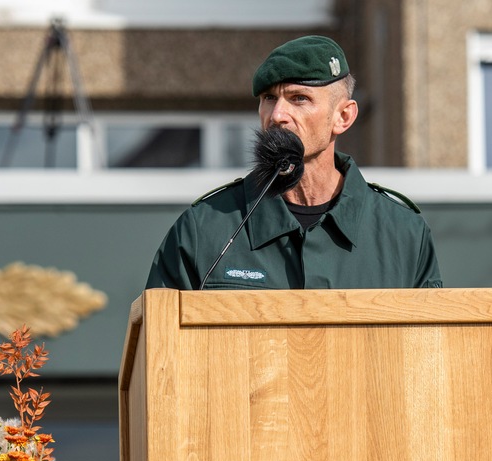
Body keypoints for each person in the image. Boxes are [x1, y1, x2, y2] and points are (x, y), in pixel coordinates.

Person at [146, 35, 442, 290]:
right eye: (269, 98)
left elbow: (430, 350)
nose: (277, 115)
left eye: (299, 98)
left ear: (343, 117)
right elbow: (161, 344)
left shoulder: (403, 235)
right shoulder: (205, 229)